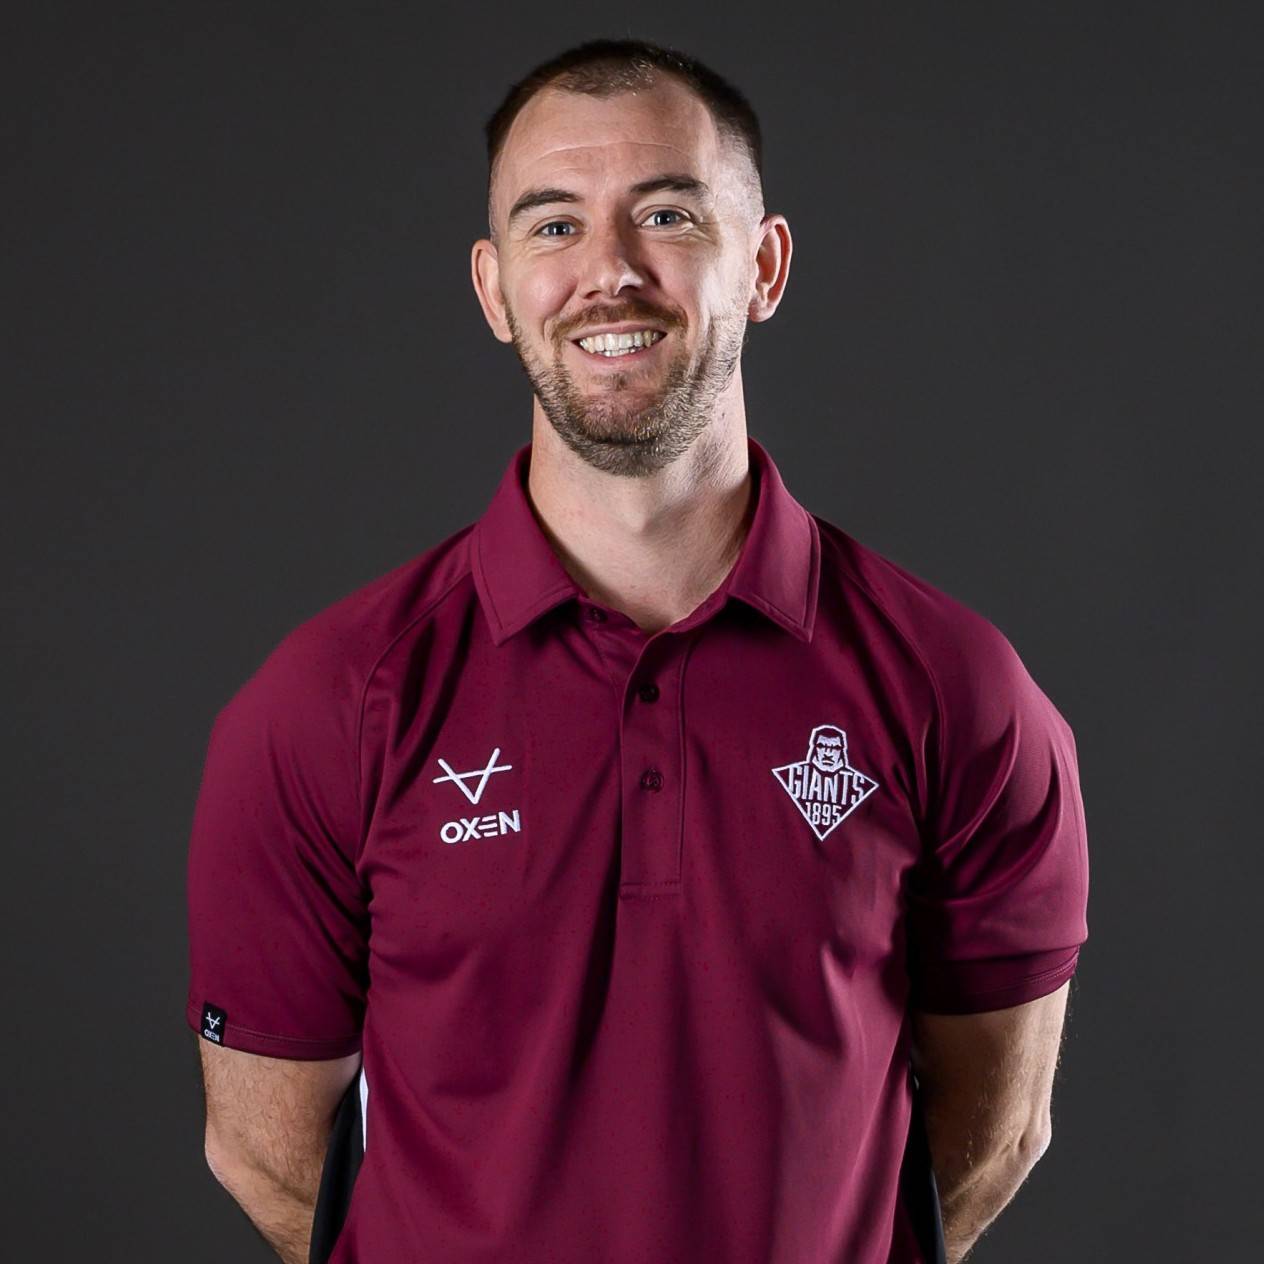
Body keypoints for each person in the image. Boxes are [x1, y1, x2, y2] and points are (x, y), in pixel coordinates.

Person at [186, 38, 1089, 1264]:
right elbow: (266, 1154)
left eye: (666, 214)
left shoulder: (956, 689)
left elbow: (994, 1134)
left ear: (762, 265)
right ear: (494, 289)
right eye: (553, 226)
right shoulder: (327, 702)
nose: (608, 271)